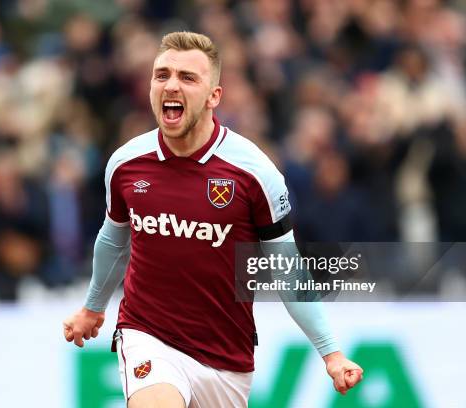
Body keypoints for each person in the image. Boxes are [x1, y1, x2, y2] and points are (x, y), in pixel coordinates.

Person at [63, 31, 363, 408]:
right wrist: (94, 307)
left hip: (227, 359)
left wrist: (331, 353)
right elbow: (113, 238)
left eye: (188, 78)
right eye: (162, 75)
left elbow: (287, 270)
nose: (171, 85)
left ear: (213, 96)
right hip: (148, 335)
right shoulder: (125, 164)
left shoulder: (254, 173)